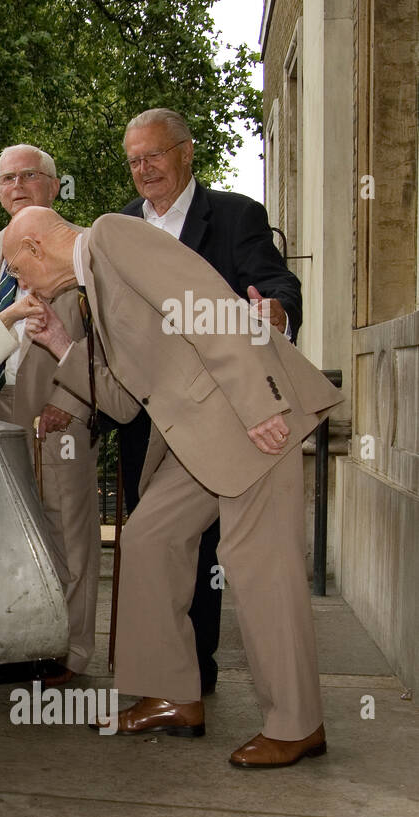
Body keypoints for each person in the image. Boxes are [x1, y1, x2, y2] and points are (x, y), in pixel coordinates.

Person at [7, 205, 342, 767]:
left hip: (246, 415)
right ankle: (172, 695)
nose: (21, 283)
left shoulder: (114, 236)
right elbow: (119, 399)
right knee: (148, 539)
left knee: (260, 562)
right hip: (200, 438)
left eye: (17, 269)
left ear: (37, 248)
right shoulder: (94, 290)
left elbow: (206, 303)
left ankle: (297, 723)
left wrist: (257, 401)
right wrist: (63, 344)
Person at [118, 107, 304, 695]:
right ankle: (169, 685)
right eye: (134, 161)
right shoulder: (122, 225)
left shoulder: (233, 216)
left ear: (186, 152)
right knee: (153, 545)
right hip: (146, 416)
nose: (144, 169)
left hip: (225, 415)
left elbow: (277, 285)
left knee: (216, 556)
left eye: (154, 155)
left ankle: (197, 673)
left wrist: (274, 311)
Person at [0, 145, 138, 686]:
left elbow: (109, 341)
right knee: (6, 533)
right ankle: (19, 640)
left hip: (58, 411)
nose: (16, 185)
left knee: (68, 534)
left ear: (55, 187)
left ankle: (70, 650)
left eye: (29, 176)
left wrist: (75, 401)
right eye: (6, 178)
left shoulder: (87, 250)